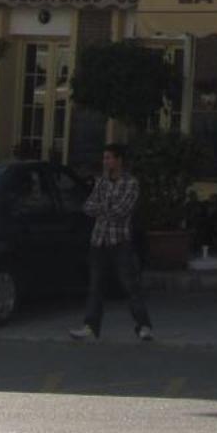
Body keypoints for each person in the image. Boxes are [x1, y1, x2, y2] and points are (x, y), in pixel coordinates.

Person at [71, 143, 154, 342]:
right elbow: (88, 206)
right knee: (95, 285)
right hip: (99, 239)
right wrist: (104, 207)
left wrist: (102, 208)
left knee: (129, 284)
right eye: (104, 158)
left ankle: (143, 325)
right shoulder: (101, 182)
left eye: (109, 158)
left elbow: (122, 210)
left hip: (119, 240)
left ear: (119, 160)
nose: (106, 161)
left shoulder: (130, 183)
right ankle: (90, 325)